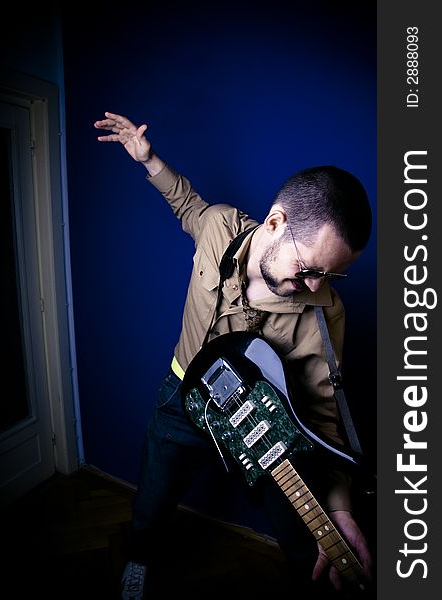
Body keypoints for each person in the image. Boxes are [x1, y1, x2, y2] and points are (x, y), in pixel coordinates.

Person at [94, 111, 374, 599]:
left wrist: (342, 510)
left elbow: (326, 424)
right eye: (308, 268)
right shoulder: (221, 227)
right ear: (274, 222)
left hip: (260, 430)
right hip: (181, 399)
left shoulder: (325, 312)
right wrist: (148, 159)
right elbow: (186, 205)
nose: (315, 286)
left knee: (303, 541)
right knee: (153, 498)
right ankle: (139, 555)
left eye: (331, 275)